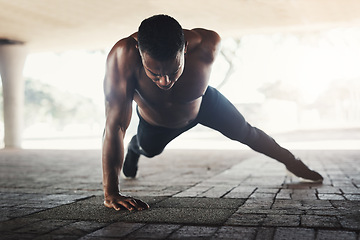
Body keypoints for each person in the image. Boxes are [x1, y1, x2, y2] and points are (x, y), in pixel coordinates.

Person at [102, 14, 323, 212]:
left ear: (185, 48)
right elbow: (115, 125)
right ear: (140, 53)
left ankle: (293, 162)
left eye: (173, 71)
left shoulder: (208, 45)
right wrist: (111, 193)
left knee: (247, 132)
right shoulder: (123, 57)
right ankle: (135, 148)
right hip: (157, 122)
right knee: (148, 149)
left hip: (204, 104)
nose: (165, 81)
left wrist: (292, 162)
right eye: (154, 73)